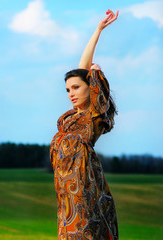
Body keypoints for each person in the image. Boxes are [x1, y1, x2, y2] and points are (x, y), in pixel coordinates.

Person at [50, 9, 119, 240]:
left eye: (76, 87)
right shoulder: (70, 117)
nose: (71, 93)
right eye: (68, 89)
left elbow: (85, 68)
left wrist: (99, 31)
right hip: (65, 192)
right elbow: (81, 72)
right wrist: (97, 29)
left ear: (91, 86)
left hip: (83, 189)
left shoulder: (94, 114)